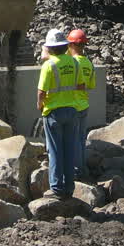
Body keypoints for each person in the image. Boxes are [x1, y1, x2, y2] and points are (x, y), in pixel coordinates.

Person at [37, 28, 81, 200]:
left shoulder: (49, 65)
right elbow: (78, 85)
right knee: (69, 150)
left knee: (55, 151)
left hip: (54, 112)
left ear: (50, 48)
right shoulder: (74, 63)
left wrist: (40, 105)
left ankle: (56, 189)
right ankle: (69, 188)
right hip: (72, 110)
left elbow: (41, 92)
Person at [68, 29, 95, 179]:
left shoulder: (72, 63)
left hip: (72, 106)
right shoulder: (88, 64)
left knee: (73, 141)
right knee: (80, 139)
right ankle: (82, 169)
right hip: (84, 105)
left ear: (71, 44)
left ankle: (76, 172)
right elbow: (90, 85)